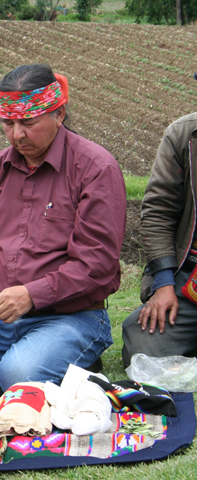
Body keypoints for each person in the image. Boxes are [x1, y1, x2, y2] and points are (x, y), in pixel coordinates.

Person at [0, 64, 127, 396]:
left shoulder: (95, 169)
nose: (17, 135)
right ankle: (43, 367)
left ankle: (50, 361)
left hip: (70, 317)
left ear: (58, 114)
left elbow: (97, 263)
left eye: (28, 123)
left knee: (18, 373)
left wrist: (31, 295)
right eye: (8, 123)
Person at [122, 112, 197, 366]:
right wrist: (164, 284)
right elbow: (158, 212)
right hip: (190, 280)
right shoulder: (183, 135)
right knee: (142, 346)